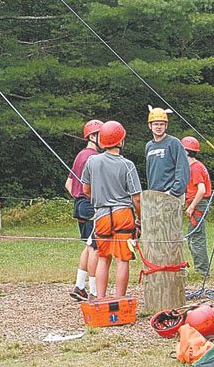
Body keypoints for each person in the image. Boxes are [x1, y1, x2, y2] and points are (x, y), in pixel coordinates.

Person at [81, 120, 142, 299]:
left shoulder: (92, 161)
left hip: (101, 215)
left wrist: (98, 196)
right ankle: (120, 299)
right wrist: (140, 219)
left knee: (103, 257)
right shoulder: (127, 165)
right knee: (122, 259)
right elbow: (136, 197)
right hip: (123, 214)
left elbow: (85, 189)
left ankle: (100, 298)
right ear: (121, 141)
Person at [65, 119, 102, 301]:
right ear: (93, 136)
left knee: (89, 246)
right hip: (90, 206)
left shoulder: (81, 155)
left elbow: (68, 184)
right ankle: (94, 291)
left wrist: (79, 197)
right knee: (96, 248)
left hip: (80, 205)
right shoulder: (93, 157)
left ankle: (80, 286)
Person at [181, 136, 211, 277]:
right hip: (196, 203)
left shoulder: (195, 168)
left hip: (198, 204)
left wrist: (192, 207)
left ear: (186, 152)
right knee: (194, 237)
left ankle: (202, 271)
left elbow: (202, 190)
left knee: (196, 238)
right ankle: (201, 269)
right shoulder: (195, 166)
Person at [144, 106, 190, 199]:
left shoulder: (174, 143)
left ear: (166, 126)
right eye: (156, 124)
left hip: (171, 195)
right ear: (150, 125)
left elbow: (183, 169)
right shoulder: (149, 146)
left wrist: (174, 192)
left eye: (162, 124)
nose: (159, 127)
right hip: (154, 195)